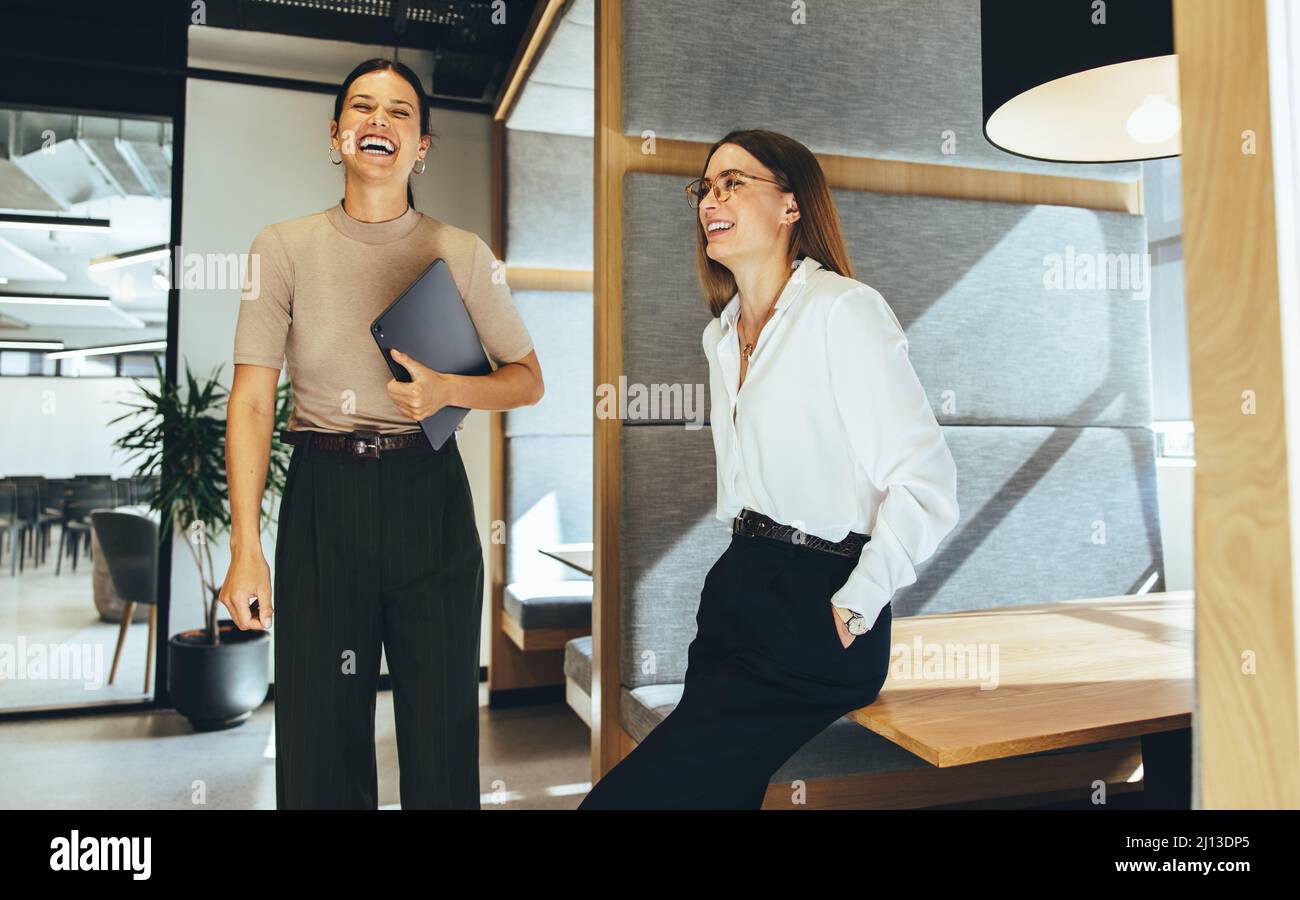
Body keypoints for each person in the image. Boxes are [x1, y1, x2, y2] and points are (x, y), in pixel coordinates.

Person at [578, 129, 959, 809]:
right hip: (738, 587)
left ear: (791, 207)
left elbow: (926, 485)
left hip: (820, 603)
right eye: (705, 186)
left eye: (734, 182)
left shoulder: (843, 310)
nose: (711, 199)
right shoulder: (719, 334)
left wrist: (856, 603)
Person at [219, 57, 543, 809]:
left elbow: (526, 377)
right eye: (362, 108)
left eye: (400, 112)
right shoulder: (282, 246)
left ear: (422, 145)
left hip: (429, 494)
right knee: (319, 739)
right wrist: (245, 547)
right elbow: (251, 403)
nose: (379, 121)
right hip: (324, 498)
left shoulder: (462, 253)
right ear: (336, 136)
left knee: (439, 737)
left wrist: (447, 390)